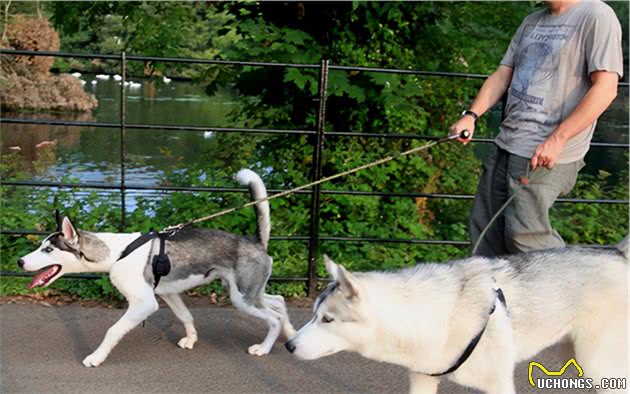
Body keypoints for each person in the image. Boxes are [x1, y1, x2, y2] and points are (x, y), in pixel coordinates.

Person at [449, 0, 623, 256]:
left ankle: (574, 292)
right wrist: (472, 115)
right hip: (507, 142)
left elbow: (606, 88)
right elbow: (502, 74)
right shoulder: (532, 21)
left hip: (545, 151)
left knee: (527, 239)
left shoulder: (596, 14)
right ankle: (497, 295)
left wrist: (559, 138)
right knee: (485, 235)